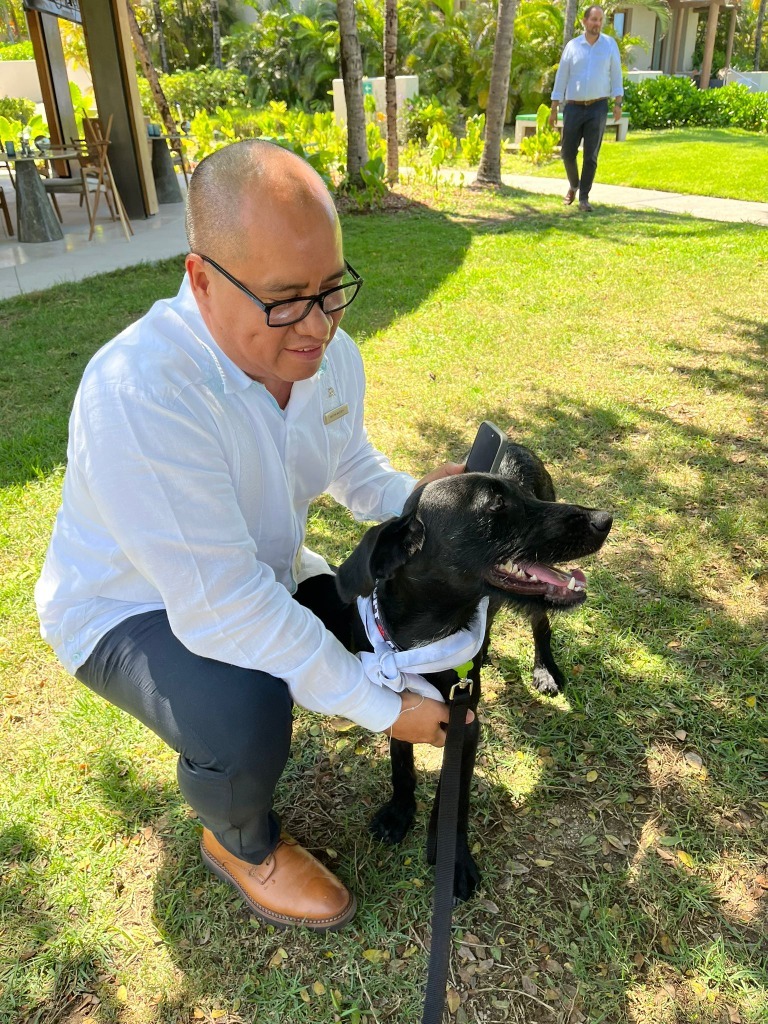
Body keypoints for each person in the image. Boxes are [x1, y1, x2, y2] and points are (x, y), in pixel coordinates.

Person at [35, 139, 472, 933]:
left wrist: (430, 498)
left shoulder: (329, 357)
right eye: (285, 300)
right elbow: (224, 613)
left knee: (370, 623)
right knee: (249, 704)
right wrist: (383, 710)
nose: (319, 327)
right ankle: (241, 839)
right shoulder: (140, 393)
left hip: (256, 574)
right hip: (123, 609)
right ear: (202, 280)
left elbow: (355, 470)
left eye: (333, 289)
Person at [549, 5, 624, 212]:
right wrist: (554, 106)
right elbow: (561, 77)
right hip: (573, 107)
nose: (597, 24)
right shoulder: (573, 46)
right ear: (584, 21)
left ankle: (584, 198)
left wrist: (618, 103)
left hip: (598, 106)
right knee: (567, 153)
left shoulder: (609, 45)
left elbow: (616, 75)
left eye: (600, 20)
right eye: (593, 20)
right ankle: (574, 184)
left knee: (591, 155)